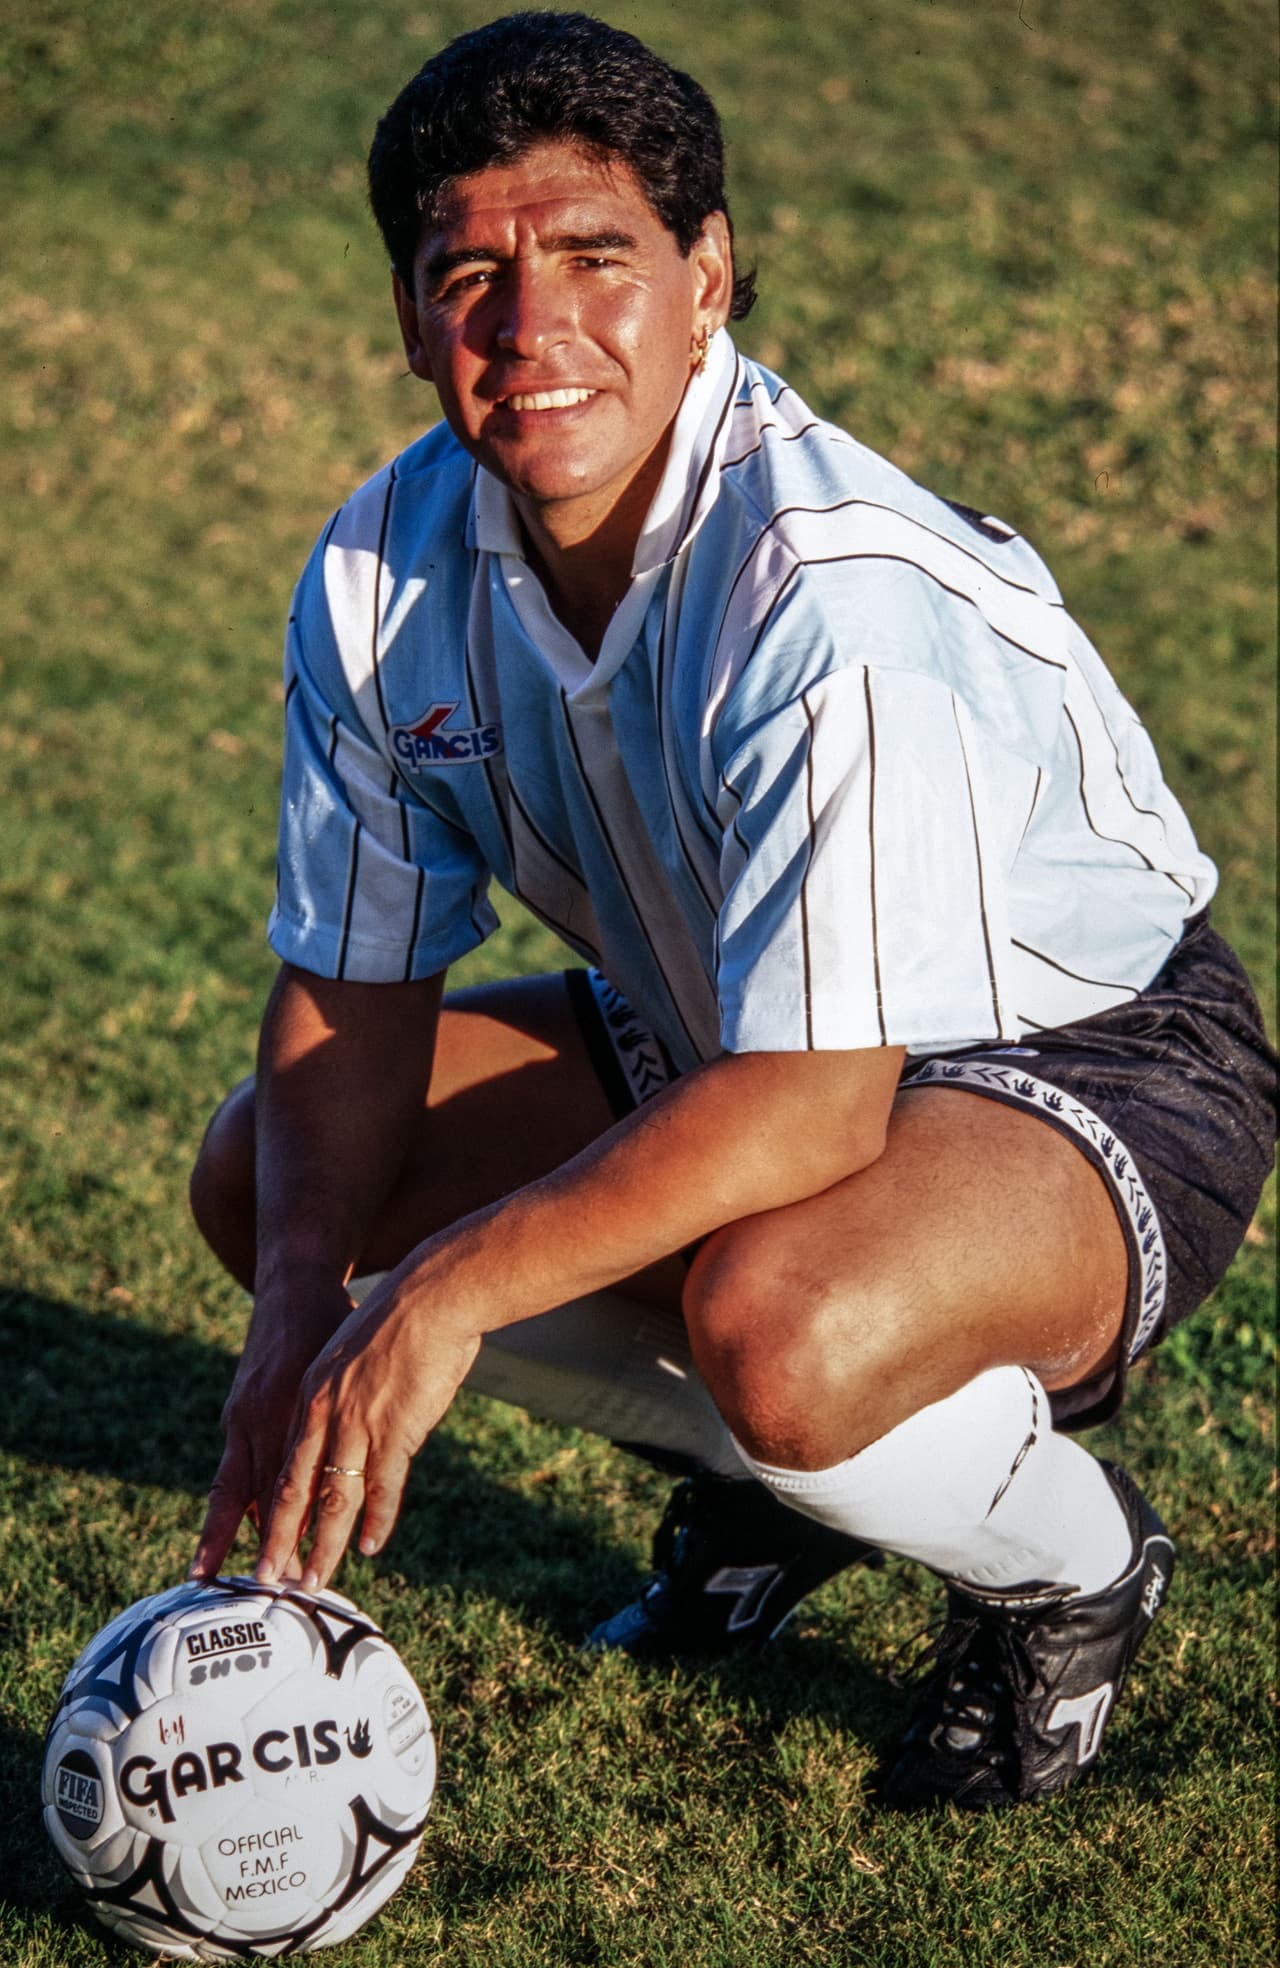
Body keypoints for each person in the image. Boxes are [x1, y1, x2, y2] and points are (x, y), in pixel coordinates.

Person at [187, 12, 1277, 1811]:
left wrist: (452, 1295)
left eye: (596, 258)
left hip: (1087, 1050)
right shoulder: (381, 566)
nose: (531, 329)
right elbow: (351, 992)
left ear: (707, 281)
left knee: (780, 1322)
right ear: (407, 319)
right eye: (471, 273)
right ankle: (802, 1483)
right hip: (725, 1017)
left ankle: (1067, 1565)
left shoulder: (822, 591)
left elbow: (819, 1108)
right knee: (274, 1183)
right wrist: (302, 1303)